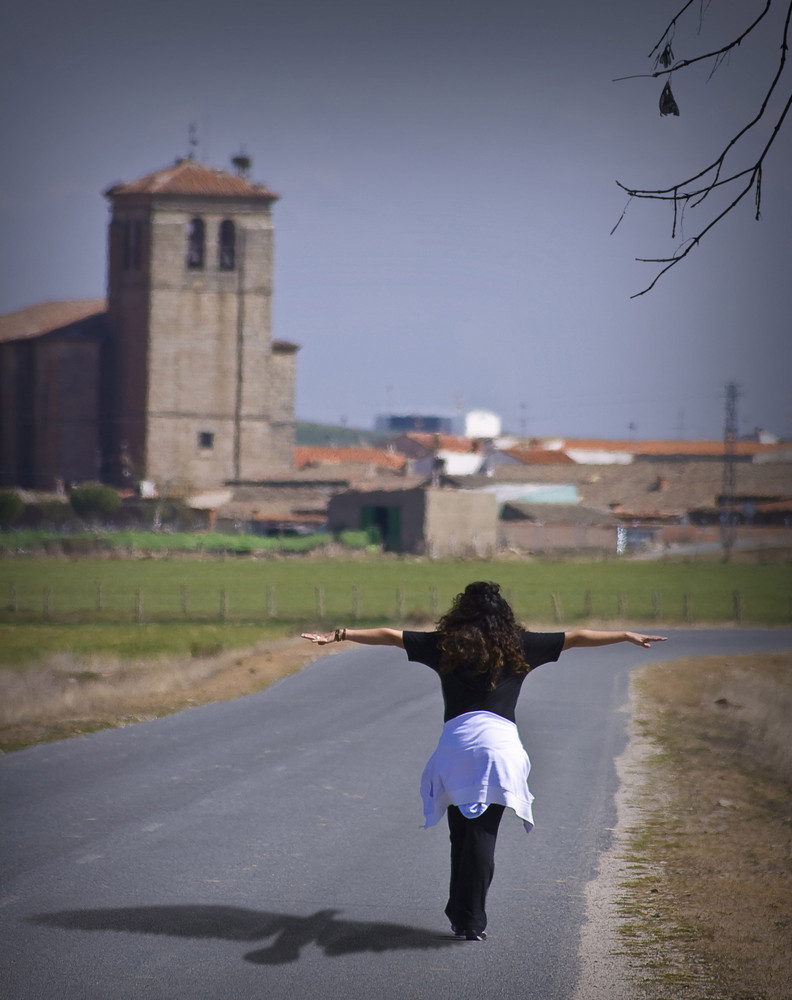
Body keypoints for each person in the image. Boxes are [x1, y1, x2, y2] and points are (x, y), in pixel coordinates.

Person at [301, 580, 666, 941]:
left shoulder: (446, 645)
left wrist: (338, 634)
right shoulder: (520, 645)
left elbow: (390, 635)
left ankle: (463, 916)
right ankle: (469, 919)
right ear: (503, 615)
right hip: (502, 750)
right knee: (483, 835)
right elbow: (578, 636)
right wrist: (625, 635)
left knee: (460, 833)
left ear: (462, 611)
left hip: (457, 747)